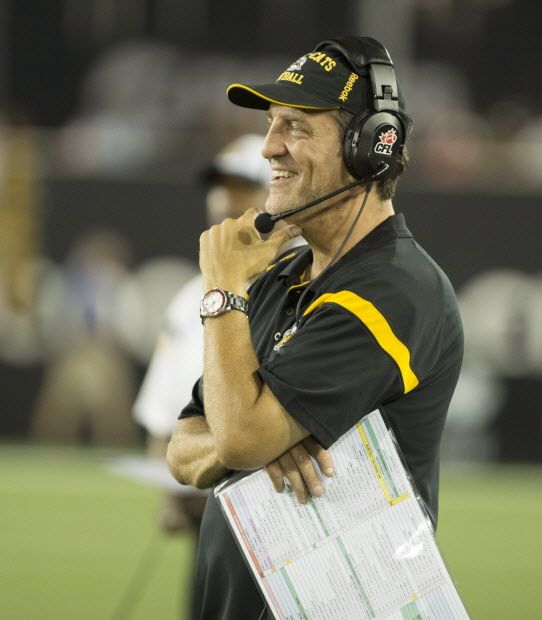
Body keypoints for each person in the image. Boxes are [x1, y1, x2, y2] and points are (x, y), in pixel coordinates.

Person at [167, 36, 464, 620]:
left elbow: (238, 437)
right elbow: (184, 446)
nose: (270, 148)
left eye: (297, 127)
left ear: (370, 148)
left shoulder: (393, 291)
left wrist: (223, 290)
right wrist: (243, 438)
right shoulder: (283, 274)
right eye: (273, 125)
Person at [133, 134, 272, 531]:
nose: (226, 201)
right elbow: (162, 409)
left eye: (242, 189)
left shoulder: (305, 282)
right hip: (204, 501)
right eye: (220, 190)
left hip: (279, 506)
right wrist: (172, 495)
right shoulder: (190, 296)